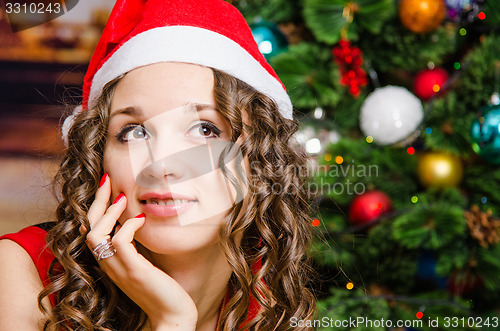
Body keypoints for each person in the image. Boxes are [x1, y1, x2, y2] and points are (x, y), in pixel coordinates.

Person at [0, 0, 316, 330]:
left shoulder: (271, 300)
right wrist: (170, 321)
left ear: (255, 160)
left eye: (205, 130)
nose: (162, 166)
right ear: (97, 157)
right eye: (134, 132)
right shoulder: (23, 272)